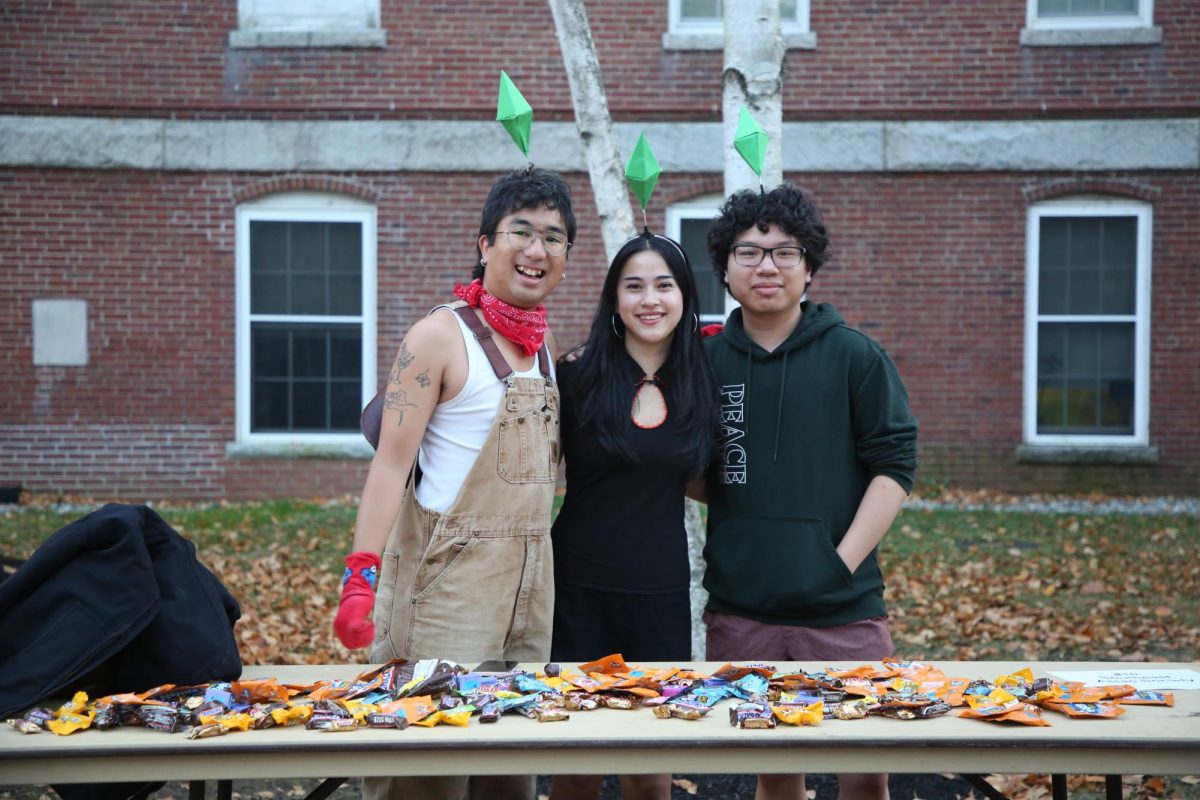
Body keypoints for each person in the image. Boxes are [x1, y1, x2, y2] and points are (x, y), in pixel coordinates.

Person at [333, 166, 576, 800]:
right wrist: (360, 575)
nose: (536, 249)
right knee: (426, 772)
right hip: (446, 592)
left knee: (509, 772)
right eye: (519, 231)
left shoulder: (545, 348)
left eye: (553, 237)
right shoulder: (439, 336)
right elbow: (389, 463)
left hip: (528, 593)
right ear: (484, 243)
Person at [699, 185, 918, 800]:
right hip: (742, 609)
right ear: (725, 267)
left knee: (867, 773)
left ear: (809, 267)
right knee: (776, 773)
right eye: (749, 251)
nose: (766, 265)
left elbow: (894, 467)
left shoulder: (855, 356)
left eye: (784, 252)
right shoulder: (706, 363)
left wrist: (837, 563)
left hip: (842, 610)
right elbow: (697, 472)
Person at [548, 232, 719, 800]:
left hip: (660, 591)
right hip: (576, 589)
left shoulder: (703, 380)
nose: (651, 299)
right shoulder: (575, 376)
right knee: (578, 765)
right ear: (614, 299)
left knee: (650, 770)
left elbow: (711, 479)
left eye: (664, 285)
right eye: (635, 285)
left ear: (685, 295)